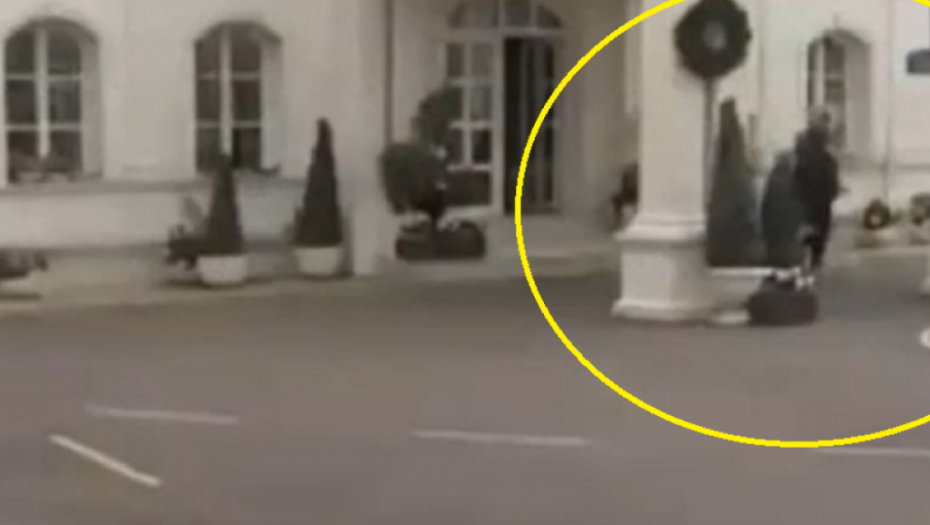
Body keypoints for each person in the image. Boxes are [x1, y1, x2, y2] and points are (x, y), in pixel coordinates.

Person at [793, 115, 841, 271]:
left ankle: (808, 255)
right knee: (821, 227)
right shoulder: (826, 155)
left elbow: (797, 175)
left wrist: (798, 193)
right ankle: (816, 257)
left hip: (807, 197)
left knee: (810, 225)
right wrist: (834, 191)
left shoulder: (803, 153)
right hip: (821, 198)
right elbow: (831, 174)